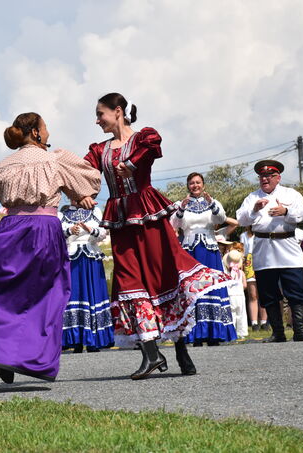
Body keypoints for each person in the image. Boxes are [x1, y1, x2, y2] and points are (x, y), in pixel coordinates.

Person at [0, 112, 100, 390]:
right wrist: (81, 195)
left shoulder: (4, 165)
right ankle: (9, 358)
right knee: (39, 298)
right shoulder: (56, 159)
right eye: (46, 127)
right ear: (37, 132)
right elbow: (89, 179)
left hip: (11, 230)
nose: (49, 132)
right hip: (44, 232)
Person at [84, 93, 231, 379]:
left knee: (163, 276)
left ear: (118, 112)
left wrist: (133, 164)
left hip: (148, 215)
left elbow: (149, 151)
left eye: (100, 114)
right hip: (121, 220)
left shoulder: (143, 138)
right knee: (128, 282)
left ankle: (180, 346)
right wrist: (80, 192)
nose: (97, 120)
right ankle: (151, 354)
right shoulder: (98, 149)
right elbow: (82, 172)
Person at [236, 160, 303, 342]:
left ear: (277, 178)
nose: (264, 179)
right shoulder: (251, 197)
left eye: (269, 176)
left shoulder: (290, 194)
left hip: (288, 245)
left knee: (296, 290)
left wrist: (286, 211)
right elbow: (240, 219)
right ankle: (277, 332)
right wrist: (254, 210)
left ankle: (300, 331)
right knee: (268, 292)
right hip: (263, 247)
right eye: (262, 176)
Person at [170, 172, 237, 346]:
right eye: (191, 183)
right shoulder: (180, 204)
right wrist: (181, 209)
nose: (195, 185)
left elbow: (221, 218)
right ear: (188, 186)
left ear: (203, 185)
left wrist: (212, 203)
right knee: (193, 290)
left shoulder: (212, 202)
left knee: (212, 287)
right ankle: (195, 333)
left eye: (198, 182)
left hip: (209, 249)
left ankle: (215, 333)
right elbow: (172, 225)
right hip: (190, 250)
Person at [59, 201, 114, 352]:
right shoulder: (62, 214)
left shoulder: (95, 211)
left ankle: (94, 339)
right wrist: (70, 230)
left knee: (93, 295)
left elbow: (103, 233)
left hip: (91, 257)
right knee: (74, 296)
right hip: (71, 258)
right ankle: (75, 340)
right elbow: (58, 235)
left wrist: (88, 229)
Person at [240, 227, 267, 331]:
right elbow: (242, 252)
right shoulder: (243, 235)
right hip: (249, 262)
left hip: (263, 260)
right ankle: (254, 322)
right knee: (253, 294)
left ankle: (264, 322)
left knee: (263, 293)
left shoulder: (264, 232)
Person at [223, 249, 248, 338]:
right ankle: (242, 333)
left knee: (231, 314)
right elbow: (245, 285)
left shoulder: (226, 274)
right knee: (241, 314)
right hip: (240, 296)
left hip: (230, 295)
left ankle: (232, 332)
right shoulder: (241, 273)